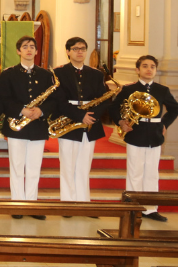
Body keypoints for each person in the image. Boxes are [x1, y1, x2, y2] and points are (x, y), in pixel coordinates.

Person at [0, 36, 58, 219]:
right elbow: (3, 99)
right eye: (25, 47)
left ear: (37, 51)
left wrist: (41, 110)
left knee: (33, 168)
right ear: (18, 51)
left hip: (38, 126)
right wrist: (22, 110)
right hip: (17, 126)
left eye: (32, 46)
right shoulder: (8, 74)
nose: (29, 49)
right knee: (16, 166)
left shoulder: (46, 75)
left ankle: (32, 204)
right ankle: (17, 204)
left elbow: (54, 100)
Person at [111, 55, 178, 222]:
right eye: (145, 66)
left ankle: (150, 208)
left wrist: (164, 124)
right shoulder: (128, 89)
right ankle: (133, 207)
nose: (149, 69)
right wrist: (121, 122)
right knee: (135, 171)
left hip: (154, 135)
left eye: (152, 67)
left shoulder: (162, 90)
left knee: (151, 173)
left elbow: (174, 109)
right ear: (137, 70)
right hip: (136, 133)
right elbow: (113, 108)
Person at [53, 37, 112, 204]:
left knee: (85, 165)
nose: (80, 52)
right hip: (68, 120)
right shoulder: (59, 72)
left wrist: (91, 116)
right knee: (67, 165)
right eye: (75, 48)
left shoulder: (96, 73)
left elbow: (103, 99)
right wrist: (80, 116)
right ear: (68, 52)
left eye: (83, 49)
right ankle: (68, 203)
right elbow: (59, 100)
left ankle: (84, 202)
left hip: (90, 122)